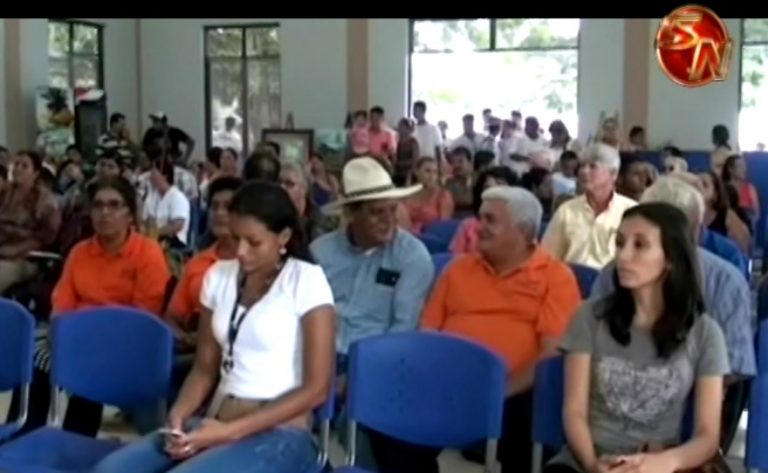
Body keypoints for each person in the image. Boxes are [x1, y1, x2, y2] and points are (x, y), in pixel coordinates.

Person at [93, 181, 336, 473]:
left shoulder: (306, 281)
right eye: (235, 239)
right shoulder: (218, 277)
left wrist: (227, 433)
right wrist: (179, 416)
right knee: (109, 470)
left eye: (253, 242)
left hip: (281, 431)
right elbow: (205, 367)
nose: (242, 252)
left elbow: (317, 389)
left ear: (283, 237)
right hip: (219, 419)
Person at [382, 186, 580, 473]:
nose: (478, 228)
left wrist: (498, 391)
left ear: (523, 231)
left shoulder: (556, 277)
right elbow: (428, 332)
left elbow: (549, 354)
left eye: (491, 220)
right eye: (480, 218)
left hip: (514, 391)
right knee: (391, 423)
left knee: (528, 429)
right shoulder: (457, 269)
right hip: (448, 384)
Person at [546, 202, 729, 473]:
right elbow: (574, 412)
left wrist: (663, 463)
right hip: (589, 459)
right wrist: (593, 465)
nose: (623, 256)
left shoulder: (705, 333)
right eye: (620, 243)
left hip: (660, 460)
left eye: (640, 245)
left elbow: (707, 435)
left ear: (670, 258)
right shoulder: (589, 316)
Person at [590, 177, 756, 452]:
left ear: (693, 232)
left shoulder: (725, 282)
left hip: (695, 410)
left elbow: (734, 365)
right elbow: (593, 349)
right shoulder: (613, 275)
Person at [7, 176, 171, 437]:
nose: (105, 212)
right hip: (76, 336)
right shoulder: (80, 252)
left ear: (130, 214)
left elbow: (143, 318)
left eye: (114, 205)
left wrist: (90, 336)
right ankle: (24, 436)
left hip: (125, 341)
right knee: (34, 358)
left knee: (88, 368)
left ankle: (76, 443)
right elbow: (62, 305)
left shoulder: (147, 253)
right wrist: (62, 333)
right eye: (98, 205)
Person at [542, 144, 637, 269]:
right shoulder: (566, 211)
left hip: (611, 284)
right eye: (582, 166)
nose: (584, 171)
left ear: (613, 174)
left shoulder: (631, 211)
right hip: (570, 282)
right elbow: (548, 257)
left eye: (593, 166)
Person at [0, 150, 61, 294]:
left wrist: (15, 250)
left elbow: (46, 237)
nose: (18, 169)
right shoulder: (5, 193)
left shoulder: (44, 200)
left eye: (24, 166)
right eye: (16, 164)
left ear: (35, 173)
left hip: (26, 257)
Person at [450, 166, 518, 254]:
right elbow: (456, 260)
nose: (494, 192)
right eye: (487, 188)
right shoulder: (468, 226)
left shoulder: (521, 226)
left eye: (500, 185)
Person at [280, 159, 338, 241]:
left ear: (304, 188)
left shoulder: (318, 219)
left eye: (289, 184)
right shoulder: (276, 214)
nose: (282, 187)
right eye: (279, 182)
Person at [699, 171, 752, 254]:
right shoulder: (689, 215)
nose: (698, 188)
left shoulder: (727, 216)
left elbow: (743, 249)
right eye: (694, 184)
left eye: (704, 184)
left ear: (715, 195)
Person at [142, 157, 191, 248]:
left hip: (173, 242)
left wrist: (156, 232)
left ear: (164, 176)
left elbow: (177, 226)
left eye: (153, 174)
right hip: (152, 238)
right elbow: (144, 221)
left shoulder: (177, 197)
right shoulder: (151, 196)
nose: (151, 177)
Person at [404, 157, 454, 234]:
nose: (432, 176)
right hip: (409, 235)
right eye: (427, 171)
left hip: (433, 237)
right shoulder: (408, 194)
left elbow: (444, 226)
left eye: (435, 172)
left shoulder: (443, 195)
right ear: (417, 172)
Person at [721, 154, 760, 218]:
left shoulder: (750, 188)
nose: (744, 169)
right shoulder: (722, 188)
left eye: (745, 166)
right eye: (740, 166)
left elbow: (756, 214)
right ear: (730, 169)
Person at [444, 146, 475, 219]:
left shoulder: (478, 179)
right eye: (453, 162)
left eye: (460, 161)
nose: (456, 165)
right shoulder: (448, 182)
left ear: (470, 162)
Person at [367, 106, 397, 170]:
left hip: (382, 164)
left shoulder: (388, 134)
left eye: (377, 118)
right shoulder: (365, 133)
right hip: (367, 162)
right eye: (372, 118)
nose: (374, 121)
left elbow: (392, 154)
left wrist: (392, 169)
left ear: (382, 118)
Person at [393, 117, 420, 186]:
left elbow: (415, 160)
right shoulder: (395, 140)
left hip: (409, 173)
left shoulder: (413, 142)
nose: (401, 129)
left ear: (409, 129)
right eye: (400, 126)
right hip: (396, 172)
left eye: (403, 127)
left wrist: (399, 164)